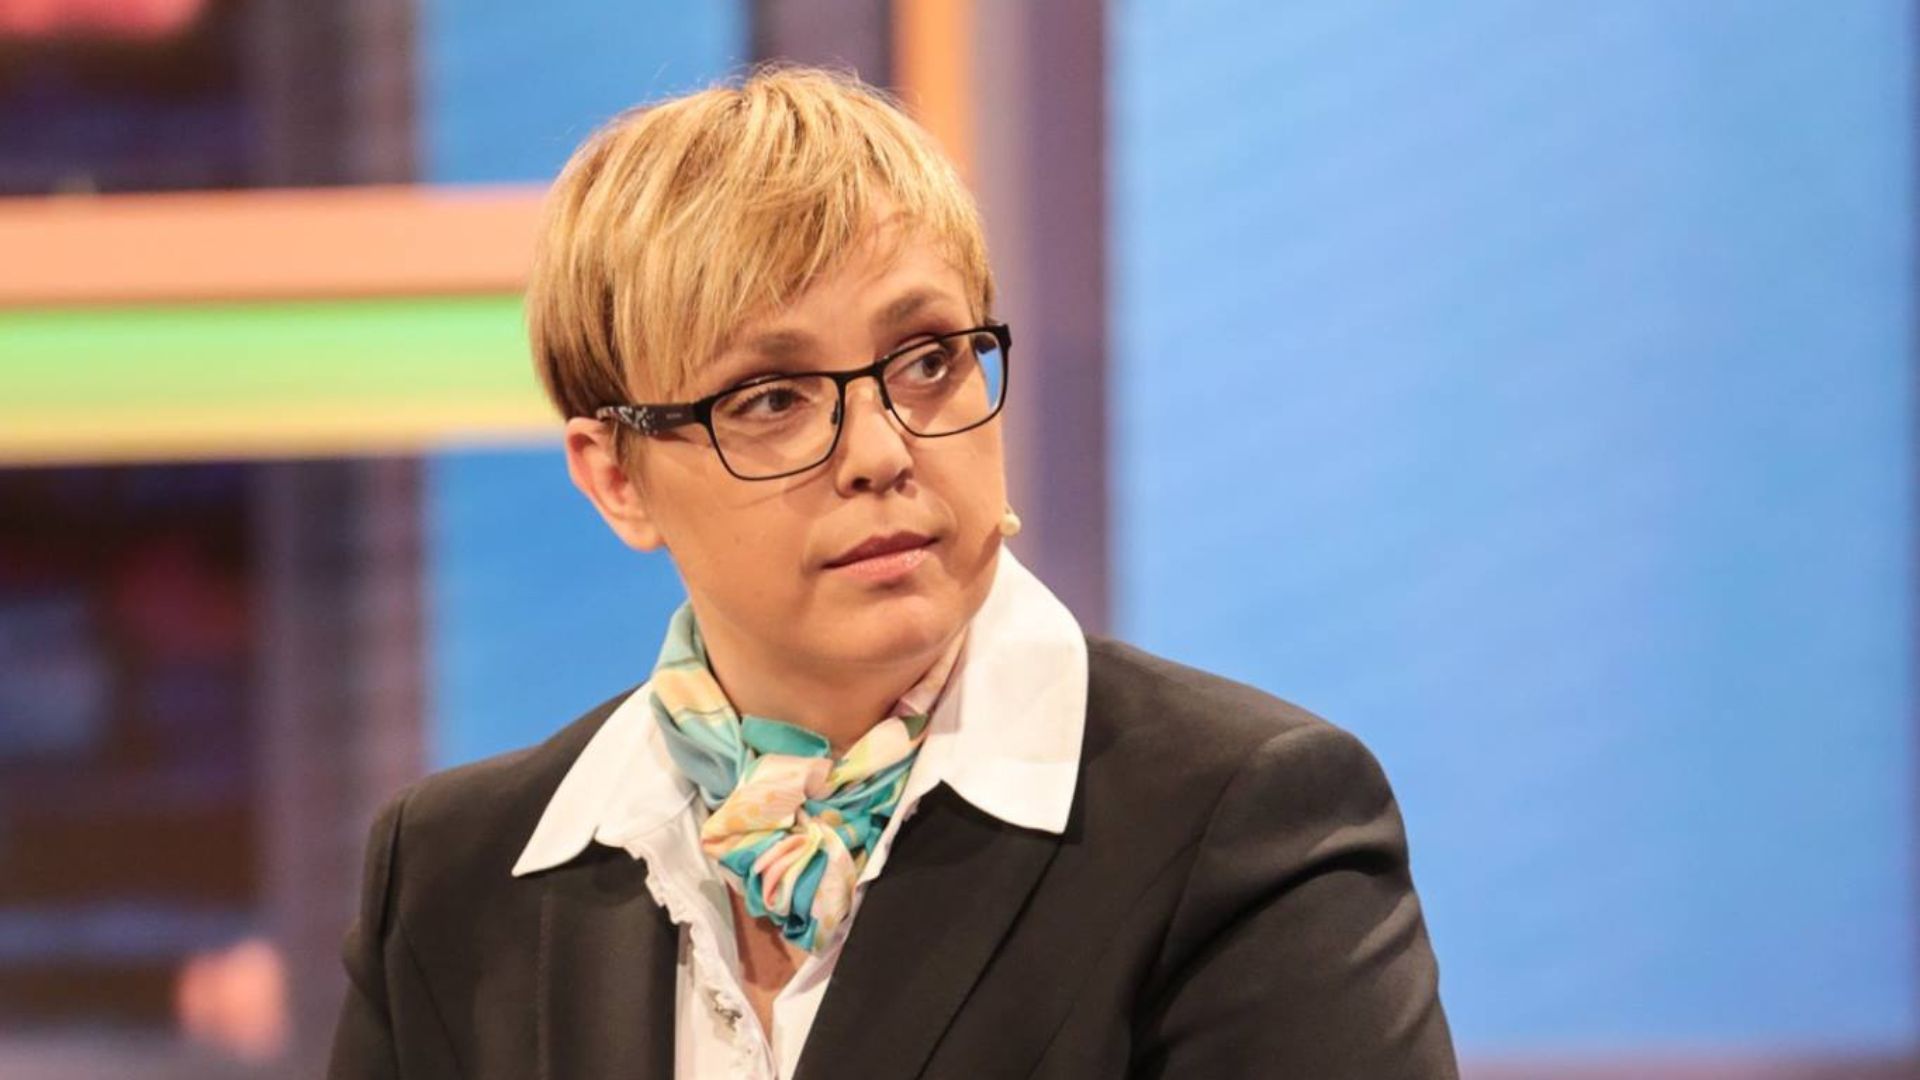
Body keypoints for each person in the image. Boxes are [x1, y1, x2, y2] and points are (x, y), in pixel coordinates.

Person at [327, 65, 1456, 1080]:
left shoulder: (1241, 823)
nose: (880, 451)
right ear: (617, 478)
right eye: (772, 397)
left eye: (926, 361)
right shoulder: (449, 879)